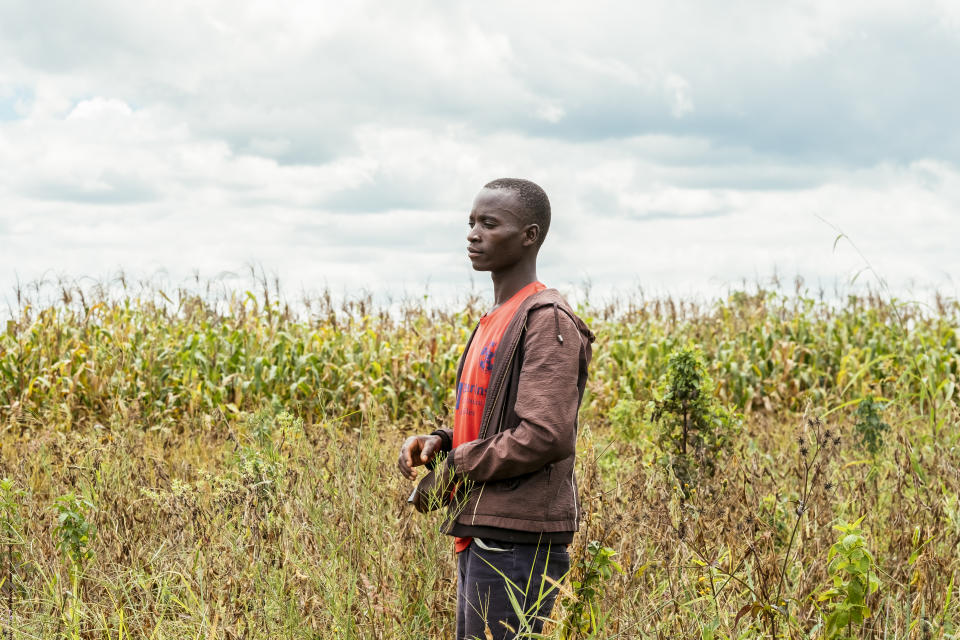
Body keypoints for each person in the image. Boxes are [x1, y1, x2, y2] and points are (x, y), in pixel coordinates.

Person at [397, 178, 595, 640]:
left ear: (529, 235)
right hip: (486, 530)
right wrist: (442, 441)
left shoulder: (546, 319)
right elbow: (496, 417)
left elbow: (544, 435)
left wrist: (457, 466)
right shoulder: (497, 316)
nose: (473, 234)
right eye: (470, 222)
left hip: (515, 541)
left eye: (489, 223)